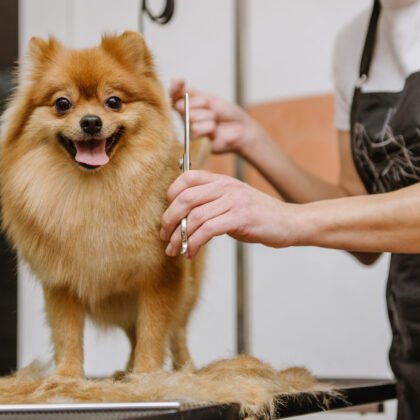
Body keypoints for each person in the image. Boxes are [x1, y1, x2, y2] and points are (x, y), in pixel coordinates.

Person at [160, 0, 420, 418]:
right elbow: (360, 225)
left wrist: (288, 219)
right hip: (412, 339)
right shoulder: (355, 45)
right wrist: (251, 138)